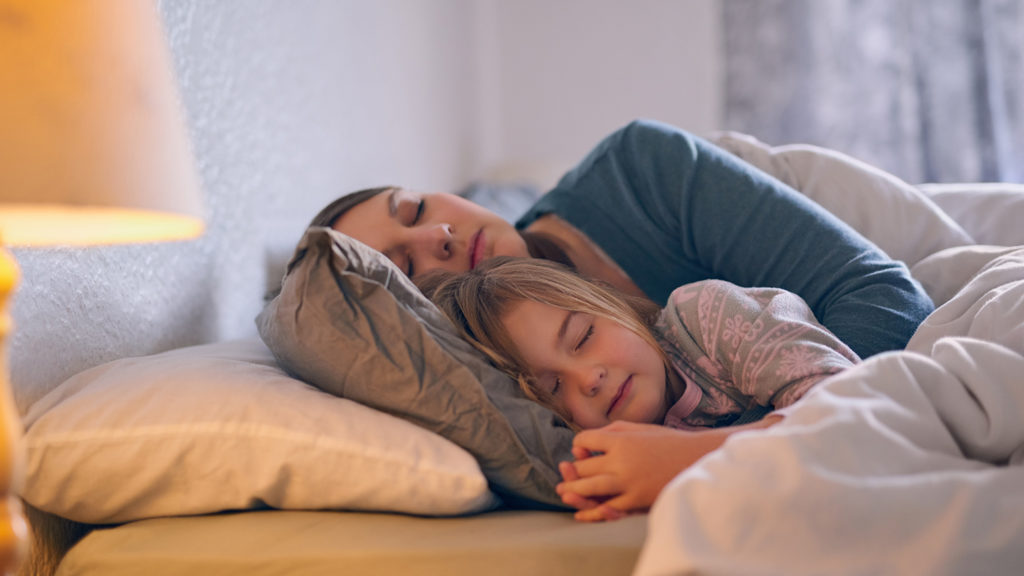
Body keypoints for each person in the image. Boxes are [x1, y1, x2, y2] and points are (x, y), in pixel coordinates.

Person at [316, 119, 933, 359]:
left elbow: (890, 296)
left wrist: (738, 439)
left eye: (417, 207)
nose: (438, 234)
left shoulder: (640, 168)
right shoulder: (521, 371)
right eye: (405, 263)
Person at [418, 256, 859, 521]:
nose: (588, 378)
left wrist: (686, 456)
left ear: (607, 300)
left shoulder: (706, 317)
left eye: (583, 337)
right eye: (553, 389)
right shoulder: (587, 445)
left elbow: (849, 407)